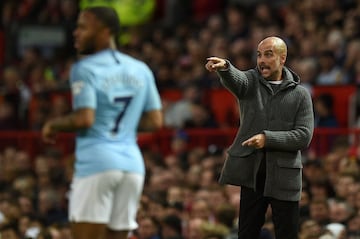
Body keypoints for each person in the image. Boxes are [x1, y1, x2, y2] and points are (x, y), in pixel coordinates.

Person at [41, 6, 163, 239]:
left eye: (83, 27)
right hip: (132, 166)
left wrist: (53, 125)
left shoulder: (84, 68)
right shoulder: (141, 69)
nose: (76, 32)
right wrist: (123, 124)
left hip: (96, 163)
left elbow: (84, 118)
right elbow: (155, 121)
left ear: (105, 32)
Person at [205, 36, 314, 239]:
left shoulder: (300, 94)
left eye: (268, 54)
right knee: (246, 233)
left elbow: (304, 136)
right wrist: (225, 68)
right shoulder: (251, 83)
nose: (261, 60)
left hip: (286, 176)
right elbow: (238, 79)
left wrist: (267, 139)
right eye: (259, 55)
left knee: (287, 233)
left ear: (282, 59)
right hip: (252, 174)